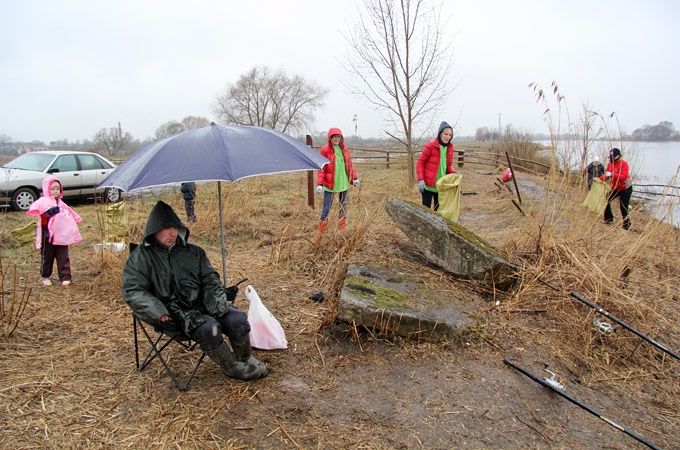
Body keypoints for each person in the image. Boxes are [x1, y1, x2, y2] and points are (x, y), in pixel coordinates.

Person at [122, 201, 268, 381]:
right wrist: (158, 312)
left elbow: (210, 279)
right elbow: (133, 291)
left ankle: (245, 359)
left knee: (237, 319)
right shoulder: (140, 258)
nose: (172, 233)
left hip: (204, 304)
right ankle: (231, 366)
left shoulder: (194, 252)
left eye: (175, 227)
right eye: (166, 228)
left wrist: (218, 301)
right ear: (154, 231)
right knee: (210, 328)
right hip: (173, 314)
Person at [26, 175, 83, 287]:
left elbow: (70, 212)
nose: (55, 191)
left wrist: (76, 218)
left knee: (63, 256)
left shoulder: (61, 203)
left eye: (57, 189)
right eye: (52, 189)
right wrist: (49, 212)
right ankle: (45, 276)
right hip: (47, 235)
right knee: (47, 256)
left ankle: (65, 277)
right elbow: (37, 210)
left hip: (61, 235)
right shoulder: (42, 201)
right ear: (47, 189)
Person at [315, 127, 360, 233]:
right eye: (334, 137)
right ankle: (322, 231)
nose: (336, 139)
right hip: (330, 184)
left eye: (338, 137)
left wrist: (354, 178)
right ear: (330, 138)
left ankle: (341, 230)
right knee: (326, 207)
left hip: (343, 182)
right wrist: (320, 184)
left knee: (343, 206)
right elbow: (322, 167)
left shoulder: (344, 149)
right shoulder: (325, 150)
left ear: (341, 138)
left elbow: (349, 165)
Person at [416, 121, 456, 210]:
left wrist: (453, 174)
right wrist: (421, 179)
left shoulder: (450, 148)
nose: (448, 137)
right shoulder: (431, 146)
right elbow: (420, 163)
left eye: (450, 135)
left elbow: (448, 166)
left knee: (439, 212)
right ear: (440, 133)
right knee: (426, 212)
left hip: (441, 186)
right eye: (446, 134)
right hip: (427, 186)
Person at [600, 147, 633, 230]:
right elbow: (607, 175)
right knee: (607, 198)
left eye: (613, 157)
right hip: (616, 187)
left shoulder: (624, 164)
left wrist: (612, 174)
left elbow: (624, 176)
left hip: (626, 188)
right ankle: (608, 219)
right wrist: (600, 178)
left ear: (618, 156)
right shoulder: (610, 164)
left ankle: (626, 225)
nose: (611, 159)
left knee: (623, 207)